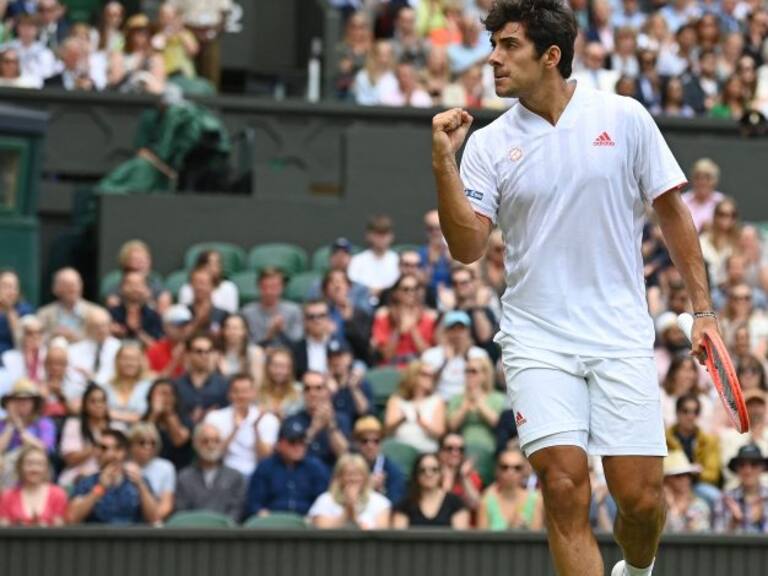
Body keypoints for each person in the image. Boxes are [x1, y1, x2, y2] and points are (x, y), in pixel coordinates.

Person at [430, 1, 715, 574]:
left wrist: (703, 311)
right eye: (494, 46)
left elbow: (673, 211)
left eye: (509, 46)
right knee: (563, 486)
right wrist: (443, 164)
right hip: (537, 339)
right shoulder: (486, 145)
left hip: (619, 334)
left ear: (550, 55)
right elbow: (467, 248)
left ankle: (635, 570)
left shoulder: (626, 116)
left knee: (640, 503)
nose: (494, 59)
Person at [68, 429, 158, 524]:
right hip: (97, 537)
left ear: (124, 452)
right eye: (103, 448)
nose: (110, 454)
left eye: (117, 448)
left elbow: (154, 519)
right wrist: (100, 488)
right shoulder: (86, 483)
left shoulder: (139, 480)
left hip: (132, 537)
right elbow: (72, 518)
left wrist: (140, 486)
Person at [243, 419, 330, 518]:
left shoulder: (315, 468)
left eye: (302, 442)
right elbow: (254, 504)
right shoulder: (265, 467)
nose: (298, 447)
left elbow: (324, 502)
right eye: (292, 442)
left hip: (307, 525)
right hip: (273, 524)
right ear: (279, 444)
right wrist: (265, 517)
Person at [203, 373, 279, 478]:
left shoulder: (267, 419)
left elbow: (265, 457)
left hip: (256, 473)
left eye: (245, 391)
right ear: (229, 394)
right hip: (225, 472)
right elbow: (213, 455)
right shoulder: (215, 417)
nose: (241, 396)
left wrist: (256, 429)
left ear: (254, 393)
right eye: (236, 391)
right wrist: (235, 429)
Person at [175, 423, 246, 520]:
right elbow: (181, 512)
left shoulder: (236, 477)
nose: (211, 445)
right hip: (192, 532)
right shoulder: (184, 477)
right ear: (195, 444)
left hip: (226, 533)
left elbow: (237, 511)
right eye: (205, 441)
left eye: (216, 441)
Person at [283, 371, 351, 471]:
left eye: (318, 388)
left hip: (334, 478)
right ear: (302, 393)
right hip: (302, 476)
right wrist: (314, 429)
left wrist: (330, 425)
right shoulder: (291, 420)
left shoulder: (341, 419)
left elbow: (345, 455)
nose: (313, 393)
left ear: (327, 391)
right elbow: (288, 457)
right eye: (307, 389)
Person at [665, 395, 721, 507]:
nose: (690, 416)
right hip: (668, 485)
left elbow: (713, 474)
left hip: (696, 484)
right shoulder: (663, 439)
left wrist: (695, 473)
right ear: (677, 413)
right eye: (685, 411)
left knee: (716, 497)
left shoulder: (709, 441)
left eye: (695, 412)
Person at [308, 453, 391, 529]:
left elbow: (380, 537)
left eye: (358, 474)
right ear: (339, 478)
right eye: (348, 474)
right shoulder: (325, 500)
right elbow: (322, 532)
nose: (353, 479)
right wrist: (347, 511)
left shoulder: (380, 502)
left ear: (365, 477)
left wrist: (353, 515)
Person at [422, 310, 491, 401]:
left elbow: (487, 385)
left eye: (461, 329)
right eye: (453, 329)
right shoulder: (431, 354)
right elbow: (426, 386)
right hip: (440, 400)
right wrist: (445, 362)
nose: (457, 334)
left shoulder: (479, 354)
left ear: (468, 331)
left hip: (469, 400)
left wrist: (466, 357)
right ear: (445, 332)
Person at [372, 274, 437, 367]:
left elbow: (427, 355)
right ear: (396, 292)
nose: (411, 292)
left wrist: (413, 328)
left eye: (414, 289)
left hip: (417, 369)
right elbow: (387, 355)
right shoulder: (384, 318)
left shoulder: (428, 319)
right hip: (392, 368)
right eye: (406, 289)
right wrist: (398, 329)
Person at [392, 452, 469, 529]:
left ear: (440, 473)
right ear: (416, 474)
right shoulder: (404, 505)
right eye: (422, 470)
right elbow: (400, 537)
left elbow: (460, 537)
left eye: (434, 470)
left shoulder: (456, 503)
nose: (428, 474)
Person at [384, 360, 445, 453]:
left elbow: (439, 433)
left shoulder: (436, 400)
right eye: (425, 374)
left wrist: (421, 422)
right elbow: (387, 430)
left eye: (432, 375)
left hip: (426, 451)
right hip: (400, 449)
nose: (430, 378)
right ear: (414, 376)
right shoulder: (396, 399)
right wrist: (401, 419)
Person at [58, 383, 110, 490]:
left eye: (102, 401)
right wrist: (96, 445)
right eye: (93, 401)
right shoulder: (74, 425)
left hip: (105, 479)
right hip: (75, 478)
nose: (98, 405)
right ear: (85, 405)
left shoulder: (113, 427)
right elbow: (70, 460)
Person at [447, 355, 505, 452]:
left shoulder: (497, 398)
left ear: (485, 375)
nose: (469, 374)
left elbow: (498, 423)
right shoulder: (457, 398)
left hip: (489, 449)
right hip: (461, 450)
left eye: (473, 371)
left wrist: (479, 401)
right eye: (466, 371)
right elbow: (452, 426)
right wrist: (465, 405)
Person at [478, 447, 543, 530]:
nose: (510, 472)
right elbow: (481, 540)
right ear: (497, 470)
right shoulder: (486, 502)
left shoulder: (536, 500)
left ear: (525, 470)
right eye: (505, 467)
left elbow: (536, 537)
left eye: (517, 468)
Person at [0, 446, 68, 526]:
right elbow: (3, 527)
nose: (34, 469)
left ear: (46, 468)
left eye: (39, 464)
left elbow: (59, 527)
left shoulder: (58, 494)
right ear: (20, 467)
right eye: (29, 464)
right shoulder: (8, 496)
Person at [66, 307, 121, 402]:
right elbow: (72, 379)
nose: (102, 330)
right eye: (96, 326)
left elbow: (116, 379)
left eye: (104, 325)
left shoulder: (119, 348)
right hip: (80, 397)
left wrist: (93, 379)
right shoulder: (74, 350)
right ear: (88, 327)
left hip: (111, 398)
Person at [173, 333, 229, 425]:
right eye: (199, 351)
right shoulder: (176, 386)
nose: (204, 355)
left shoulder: (223, 385)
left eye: (208, 351)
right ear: (188, 354)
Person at [126, 422, 176, 521]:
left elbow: (166, 506)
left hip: (153, 525)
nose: (148, 447)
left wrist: (154, 519)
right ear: (131, 444)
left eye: (153, 443)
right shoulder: (122, 466)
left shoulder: (166, 467)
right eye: (142, 442)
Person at [241, 268, 303, 345]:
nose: (269, 292)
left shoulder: (294, 310)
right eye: (265, 287)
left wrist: (281, 331)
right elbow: (245, 346)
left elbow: (297, 343)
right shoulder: (247, 313)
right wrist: (268, 336)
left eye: (274, 287)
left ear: (282, 288)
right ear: (259, 287)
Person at [715, 444, 768, 534]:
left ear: (762, 468)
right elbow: (714, 543)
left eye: (754, 464)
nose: (748, 470)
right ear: (736, 469)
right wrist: (733, 524)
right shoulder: (725, 499)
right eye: (742, 465)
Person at [352, 416, 405, 505]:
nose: (370, 446)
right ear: (357, 443)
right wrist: (368, 486)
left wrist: (382, 492)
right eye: (364, 441)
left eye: (376, 441)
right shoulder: (349, 466)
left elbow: (395, 504)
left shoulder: (392, 470)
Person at [142, 378, 193, 470]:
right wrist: (154, 414)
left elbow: (179, 441)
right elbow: (142, 440)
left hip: (179, 469)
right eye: (160, 394)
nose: (165, 398)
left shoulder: (184, 419)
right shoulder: (145, 419)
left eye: (169, 394)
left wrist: (169, 414)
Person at [37, 267, 99, 343]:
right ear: (55, 288)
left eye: (75, 284)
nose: (72, 288)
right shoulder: (44, 314)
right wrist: (52, 336)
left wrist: (75, 337)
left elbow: (100, 341)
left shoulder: (96, 313)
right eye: (66, 285)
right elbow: (35, 340)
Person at [347, 215, 400, 301]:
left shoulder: (398, 260)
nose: (381, 238)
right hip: (363, 303)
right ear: (368, 235)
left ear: (391, 236)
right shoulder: (357, 260)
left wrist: (382, 292)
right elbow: (353, 286)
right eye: (377, 234)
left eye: (385, 234)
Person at [103, 342, 153, 430]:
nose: (129, 363)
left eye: (134, 359)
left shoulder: (149, 386)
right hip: (111, 435)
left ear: (141, 362)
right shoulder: (107, 387)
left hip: (141, 436)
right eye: (125, 359)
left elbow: (148, 416)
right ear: (117, 361)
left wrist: (112, 414)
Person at [108, 271, 163, 346]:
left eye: (139, 285)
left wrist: (138, 333)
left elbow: (157, 347)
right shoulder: (110, 315)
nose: (135, 288)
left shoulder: (154, 316)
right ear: (121, 288)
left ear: (146, 289)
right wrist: (110, 331)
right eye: (130, 284)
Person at [661, 450, 711, 533]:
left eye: (687, 475)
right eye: (678, 476)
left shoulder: (699, 505)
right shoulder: (659, 508)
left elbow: (697, 537)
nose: (685, 479)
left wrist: (673, 510)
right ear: (665, 480)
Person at [327, 337, 373, 424]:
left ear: (350, 357)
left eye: (339, 356)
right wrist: (328, 393)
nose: (335, 361)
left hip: (357, 431)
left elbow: (366, 413)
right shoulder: (321, 385)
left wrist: (354, 389)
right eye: (331, 357)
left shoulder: (361, 383)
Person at [291, 300, 336, 379]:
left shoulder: (341, 345)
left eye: (321, 316)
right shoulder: (295, 349)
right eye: (311, 317)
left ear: (328, 318)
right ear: (304, 321)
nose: (316, 320)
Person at [216, 314, 264, 386]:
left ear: (245, 331)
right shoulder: (215, 353)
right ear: (223, 331)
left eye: (236, 328)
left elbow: (257, 384)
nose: (232, 332)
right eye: (228, 327)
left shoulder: (255, 352)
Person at [145, 304, 192, 378]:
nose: (183, 329)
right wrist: (174, 362)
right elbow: (152, 382)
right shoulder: (155, 350)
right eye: (178, 325)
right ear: (165, 327)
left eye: (186, 324)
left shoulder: (199, 348)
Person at [257, 347, 302, 419]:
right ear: (267, 367)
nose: (279, 371)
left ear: (291, 369)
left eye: (284, 366)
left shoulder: (300, 391)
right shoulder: (257, 392)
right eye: (275, 366)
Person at [184, 266, 228, 337]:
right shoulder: (183, 312)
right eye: (195, 282)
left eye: (203, 283)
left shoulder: (223, 315)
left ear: (213, 286)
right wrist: (198, 321)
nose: (199, 287)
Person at [0, 270, 34, 356]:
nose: (10, 291)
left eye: (14, 287)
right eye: (5, 286)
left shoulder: (25, 310)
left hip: (13, 359)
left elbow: (23, 342)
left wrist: (9, 310)